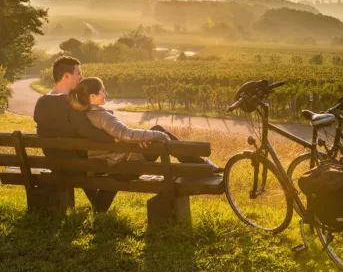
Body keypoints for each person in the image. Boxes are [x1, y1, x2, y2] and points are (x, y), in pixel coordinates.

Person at [67, 76, 224, 172]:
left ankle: (201, 164)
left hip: (117, 156)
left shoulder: (86, 114)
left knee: (155, 133)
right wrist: (160, 136)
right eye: (103, 91)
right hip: (126, 160)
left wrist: (142, 138)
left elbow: (122, 135)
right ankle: (203, 166)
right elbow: (127, 134)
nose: (106, 94)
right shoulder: (102, 116)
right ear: (93, 96)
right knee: (160, 131)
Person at [33, 56, 115, 209]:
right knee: (119, 166)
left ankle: (99, 208)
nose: (81, 77)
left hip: (56, 163)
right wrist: (114, 137)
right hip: (78, 165)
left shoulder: (41, 102)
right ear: (66, 76)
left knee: (79, 158)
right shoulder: (71, 103)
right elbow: (87, 131)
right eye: (78, 74)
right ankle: (100, 208)